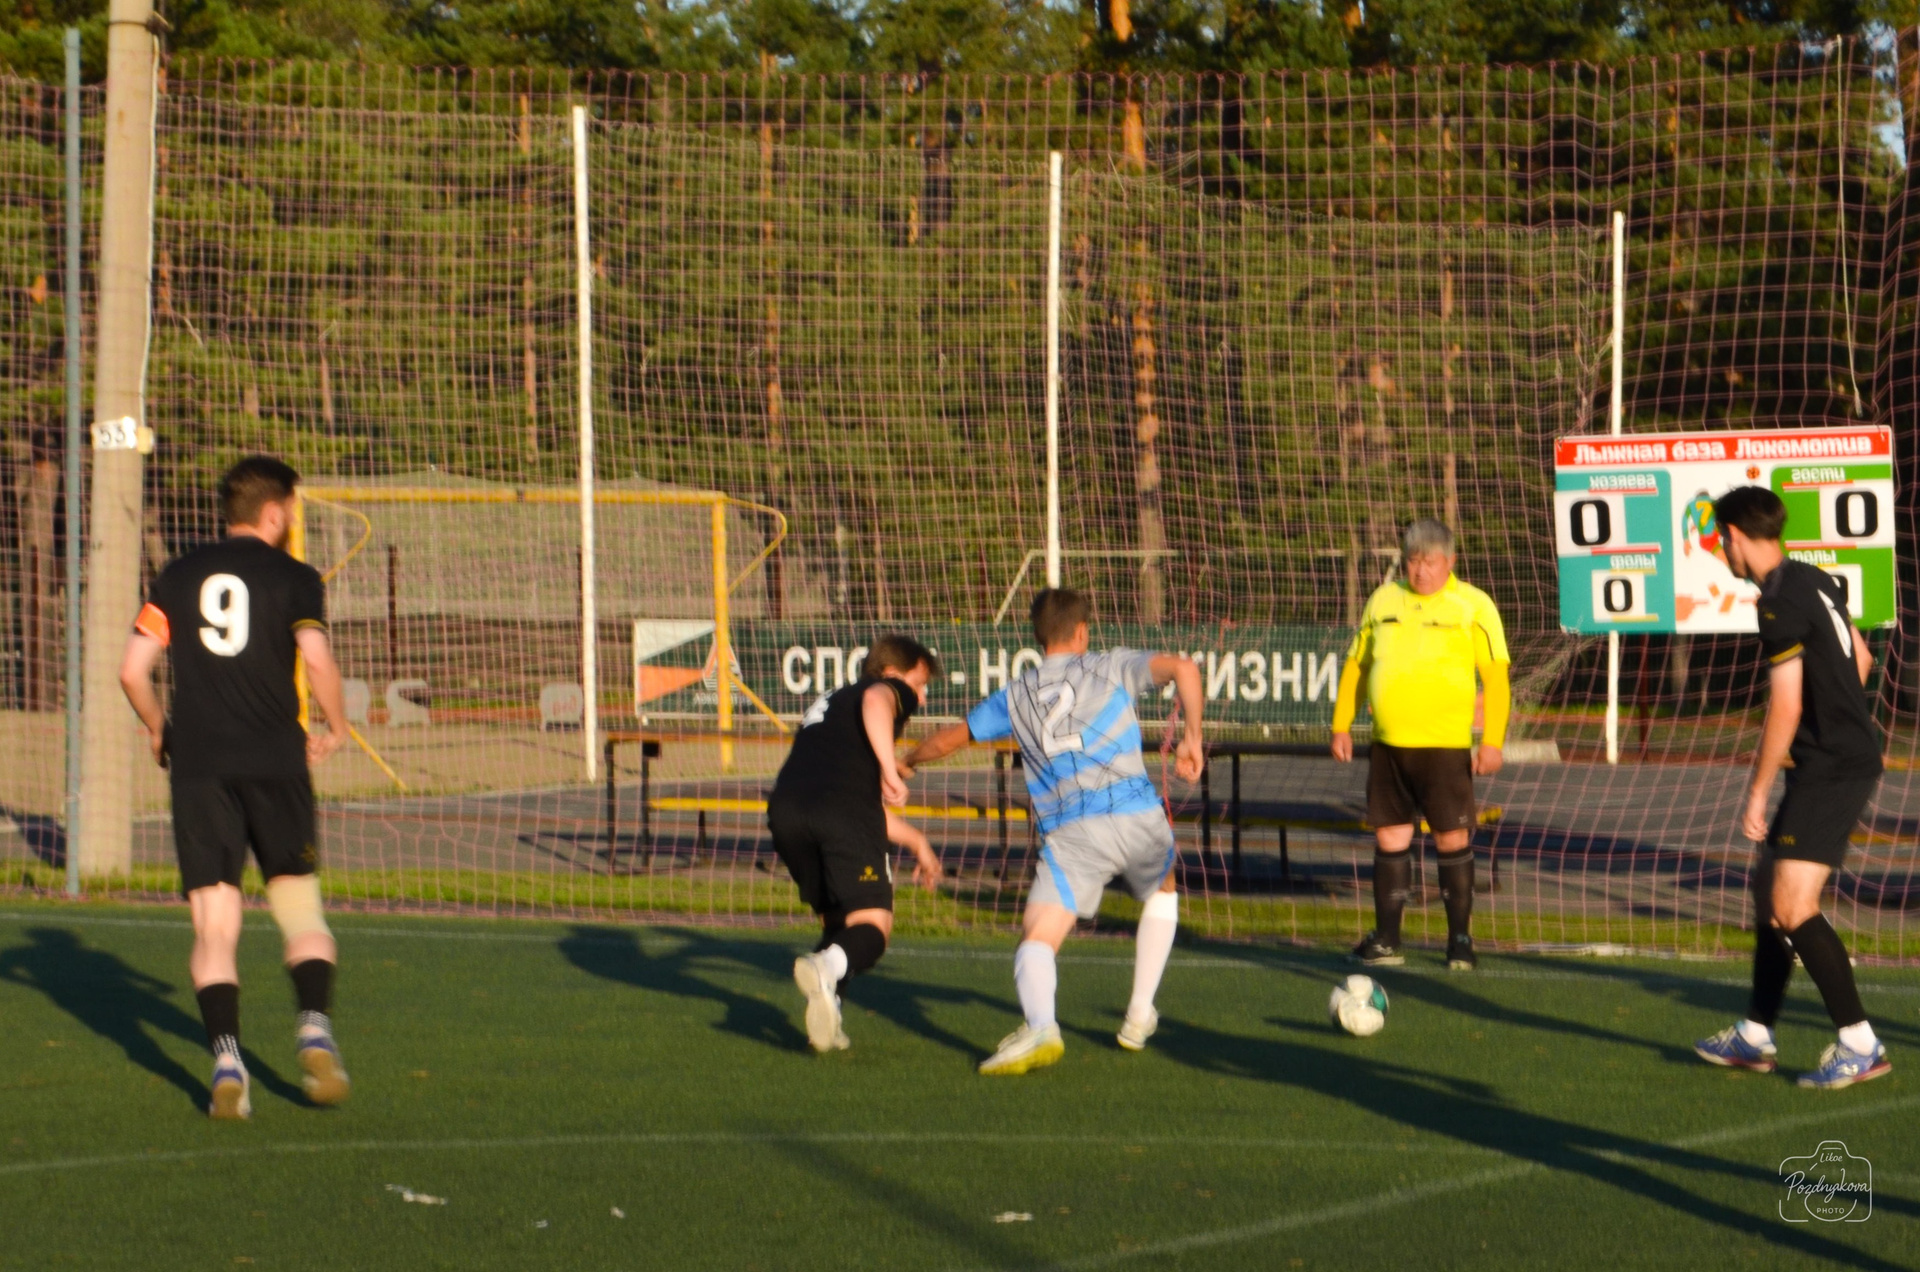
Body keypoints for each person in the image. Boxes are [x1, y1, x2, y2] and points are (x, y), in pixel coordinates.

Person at [119, 456, 352, 1120]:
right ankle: (314, 1031)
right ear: (275, 513)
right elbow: (316, 658)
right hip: (276, 761)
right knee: (300, 911)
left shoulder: (177, 575)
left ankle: (226, 1061)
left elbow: (132, 670)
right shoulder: (296, 577)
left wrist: (160, 729)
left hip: (199, 767)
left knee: (214, 925)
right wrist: (337, 725)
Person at [905, 588, 1203, 1075]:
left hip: (1072, 832)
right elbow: (1185, 670)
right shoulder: (1109, 666)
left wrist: (908, 761)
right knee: (1164, 886)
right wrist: (1192, 738)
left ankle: (1042, 1025)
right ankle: (1137, 1013)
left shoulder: (1016, 694)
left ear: (1038, 637)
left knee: (1039, 936)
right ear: (1083, 632)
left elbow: (948, 740)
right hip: (1136, 814)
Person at [1693, 486, 1891, 1089]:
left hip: (1833, 766)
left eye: (1721, 540)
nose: (1721, 551)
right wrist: (1839, 716)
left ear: (1734, 536)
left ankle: (1860, 1044)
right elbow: (1861, 659)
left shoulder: (1777, 603)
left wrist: (1757, 791)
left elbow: (1785, 706)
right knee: (1768, 893)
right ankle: (1755, 1034)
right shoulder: (1813, 577)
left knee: (1792, 906)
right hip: (1833, 758)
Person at [1331, 519, 1509, 971]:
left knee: (1451, 839)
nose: (1421, 570)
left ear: (1450, 562)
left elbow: (1496, 678)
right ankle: (1388, 940)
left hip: (1445, 749)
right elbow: (1356, 666)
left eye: (1430, 562)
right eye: (1413, 561)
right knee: (1390, 838)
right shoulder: (1382, 599)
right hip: (1389, 747)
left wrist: (1492, 741)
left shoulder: (1474, 605)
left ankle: (1460, 942)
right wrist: (1340, 725)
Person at [773, 634, 945, 1053]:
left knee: (840, 924)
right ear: (892, 673)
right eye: (918, 684)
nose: (920, 698)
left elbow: (855, 805)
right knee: (873, 926)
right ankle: (825, 967)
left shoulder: (834, 705)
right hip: (839, 812)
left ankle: (828, 1015)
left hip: (786, 812)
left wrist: (917, 842)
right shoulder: (878, 691)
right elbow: (877, 701)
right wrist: (888, 767)